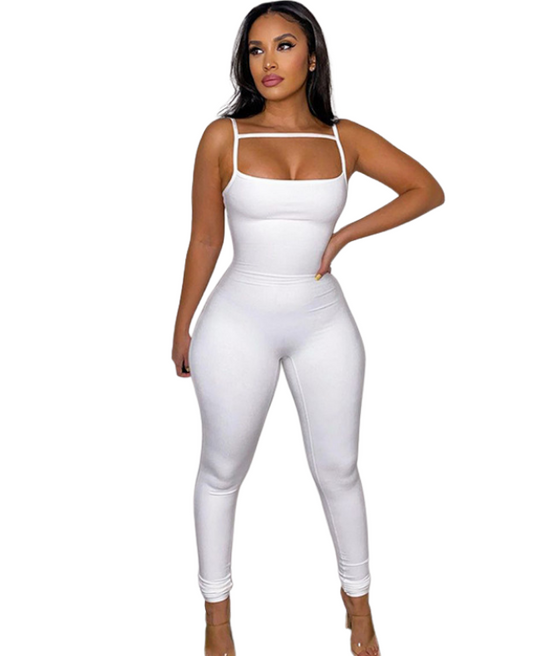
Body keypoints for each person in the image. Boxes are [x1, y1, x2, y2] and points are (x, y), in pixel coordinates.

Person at [172, 3, 445, 655]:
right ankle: (217, 621)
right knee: (222, 469)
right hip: (237, 322)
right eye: (255, 49)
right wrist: (181, 327)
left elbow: (425, 189)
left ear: (313, 57)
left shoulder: (344, 138)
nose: (267, 61)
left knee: (339, 468)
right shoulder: (223, 137)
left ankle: (359, 610)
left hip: (323, 321)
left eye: (284, 45)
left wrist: (345, 234)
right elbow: (205, 238)